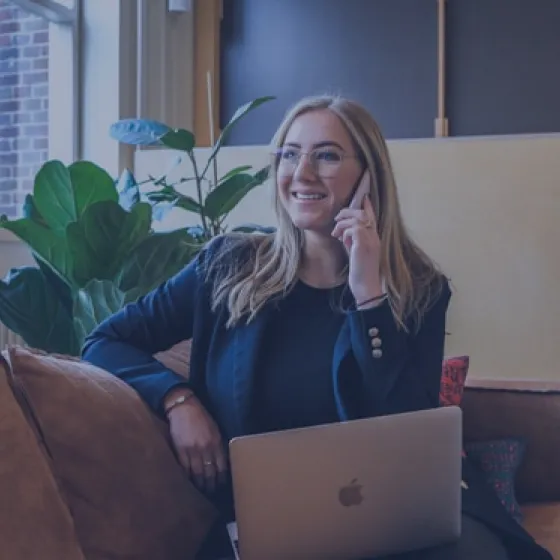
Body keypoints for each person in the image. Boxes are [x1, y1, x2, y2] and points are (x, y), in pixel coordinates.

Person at [82, 95, 551, 560]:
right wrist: (178, 400)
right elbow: (104, 340)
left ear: (369, 176)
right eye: (289, 154)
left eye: (326, 155)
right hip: (268, 526)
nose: (301, 173)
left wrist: (370, 298)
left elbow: (409, 429)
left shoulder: (420, 289)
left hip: (399, 521)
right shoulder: (226, 267)